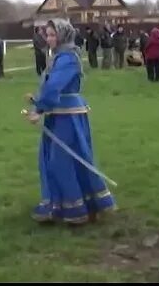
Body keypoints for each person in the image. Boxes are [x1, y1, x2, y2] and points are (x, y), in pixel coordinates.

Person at [24, 19, 115, 225]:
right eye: (47, 35)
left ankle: (76, 209)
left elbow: (55, 86)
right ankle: (68, 204)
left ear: (64, 35)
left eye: (53, 35)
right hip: (59, 113)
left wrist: (39, 109)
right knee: (56, 159)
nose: (49, 39)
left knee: (61, 160)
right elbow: (50, 85)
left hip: (68, 115)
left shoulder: (67, 58)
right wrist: (37, 101)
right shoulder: (58, 57)